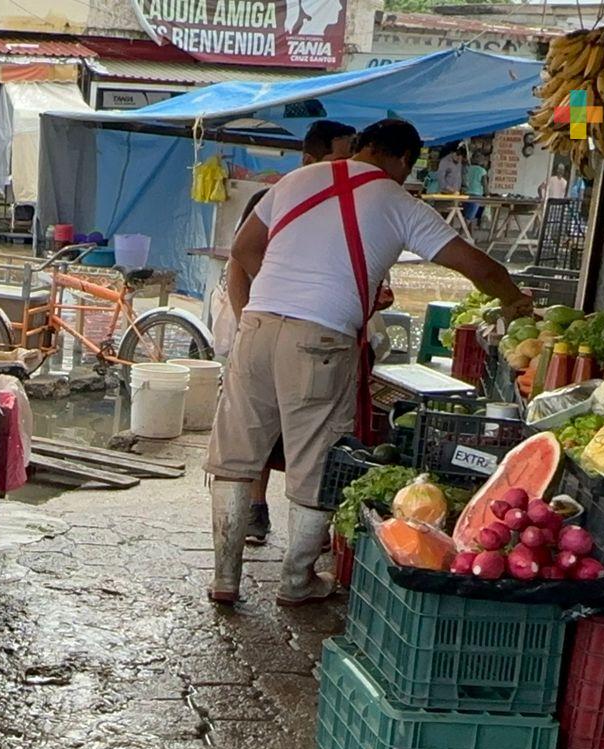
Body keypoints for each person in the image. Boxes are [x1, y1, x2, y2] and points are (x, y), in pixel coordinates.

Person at [206, 119, 530, 607]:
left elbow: (245, 250)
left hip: (257, 328)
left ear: (361, 146)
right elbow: (477, 266)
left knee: (235, 459)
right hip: (320, 340)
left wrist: (286, 289)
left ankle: (225, 581)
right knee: (315, 462)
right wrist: (514, 301)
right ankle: (295, 583)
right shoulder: (399, 202)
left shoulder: (295, 181)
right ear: (405, 159)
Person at [222, 119, 356, 546]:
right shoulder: (276, 197)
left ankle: (303, 537)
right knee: (255, 433)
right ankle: (255, 513)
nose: (347, 168)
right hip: (264, 329)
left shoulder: (349, 203)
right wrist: (262, 312)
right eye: (340, 158)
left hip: (312, 331)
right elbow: (238, 262)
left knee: (302, 436)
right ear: (309, 160)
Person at [463, 155, 488, 224]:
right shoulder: (482, 171)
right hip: (477, 195)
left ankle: (469, 233)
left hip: (466, 193)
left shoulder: (468, 169)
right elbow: (484, 184)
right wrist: (487, 194)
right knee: (469, 217)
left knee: (466, 215)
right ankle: (461, 232)